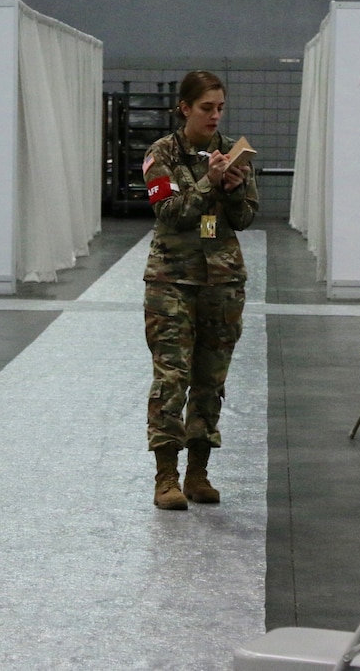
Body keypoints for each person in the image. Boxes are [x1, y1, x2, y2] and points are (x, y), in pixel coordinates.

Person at [141, 69, 258, 510]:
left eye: (220, 108)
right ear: (185, 108)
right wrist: (209, 182)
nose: (215, 116)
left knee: (211, 380)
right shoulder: (160, 155)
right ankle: (166, 477)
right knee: (172, 378)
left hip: (222, 282)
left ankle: (198, 473)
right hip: (171, 281)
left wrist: (231, 189)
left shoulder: (233, 154)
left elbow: (246, 218)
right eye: (206, 108)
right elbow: (171, 212)